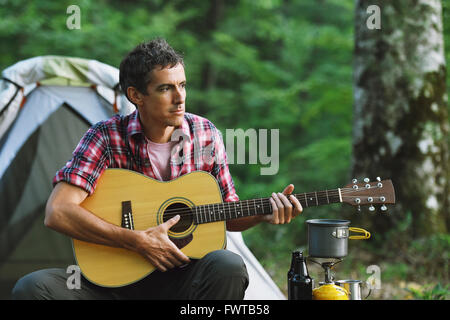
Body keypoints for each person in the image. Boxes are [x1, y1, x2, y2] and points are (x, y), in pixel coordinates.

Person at [11, 38, 303, 300]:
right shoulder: (105, 136)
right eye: (165, 88)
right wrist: (137, 241)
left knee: (228, 266)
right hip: (113, 283)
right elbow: (58, 212)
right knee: (32, 287)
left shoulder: (205, 133)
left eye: (182, 85)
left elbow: (227, 211)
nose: (179, 98)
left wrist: (264, 212)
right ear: (136, 95)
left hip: (181, 278)